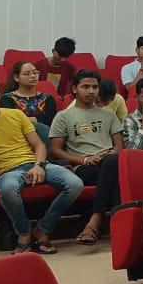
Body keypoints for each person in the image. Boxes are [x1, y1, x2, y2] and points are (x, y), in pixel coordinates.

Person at [0, 75, 82, 254]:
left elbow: (39, 145)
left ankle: (43, 229)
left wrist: (39, 165)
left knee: (75, 184)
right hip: (6, 171)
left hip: (34, 163)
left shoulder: (16, 114)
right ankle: (23, 233)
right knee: (8, 188)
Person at [50, 70, 124, 247]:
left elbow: (119, 145)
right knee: (114, 177)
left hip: (108, 161)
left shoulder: (109, 115)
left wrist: (111, 154)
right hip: (83, 167)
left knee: (112, 162)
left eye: (94, 87)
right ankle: (118, 226)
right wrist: (83, 160)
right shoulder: (64, 117)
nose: (91, 91)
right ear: (75, 89)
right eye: (85, 87)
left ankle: (94, 222)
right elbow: (55, 150)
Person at [0, 61, 57, 146]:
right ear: (16, 77)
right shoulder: (7, 98)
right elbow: (12, 121)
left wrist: (26, 120)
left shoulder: (48, 98)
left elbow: (51, 121)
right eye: (27, 74)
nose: (33, 76)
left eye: (35, 73)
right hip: (18, 137)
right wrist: (36, 120)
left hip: (45, 136)